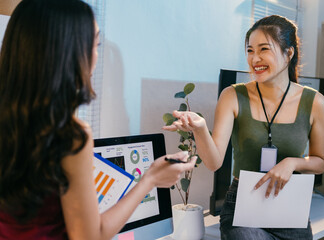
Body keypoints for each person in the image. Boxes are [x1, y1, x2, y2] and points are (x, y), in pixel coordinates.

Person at [0, 0, 196, 239]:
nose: (96, 55)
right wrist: (150, 179)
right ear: (67, 52)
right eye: (95, 44)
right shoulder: (68, 135)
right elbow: (92, 235)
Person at [163, 15, 324, 240]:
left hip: (290, 209)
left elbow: (320, 162)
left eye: (264, 49)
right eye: (250, 51)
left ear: (288, 53)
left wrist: (292, 163)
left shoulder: (315, 102)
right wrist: (200, 129)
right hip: (241, 207)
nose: (255, 59)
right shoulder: (233, 95)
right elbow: (214, 162)